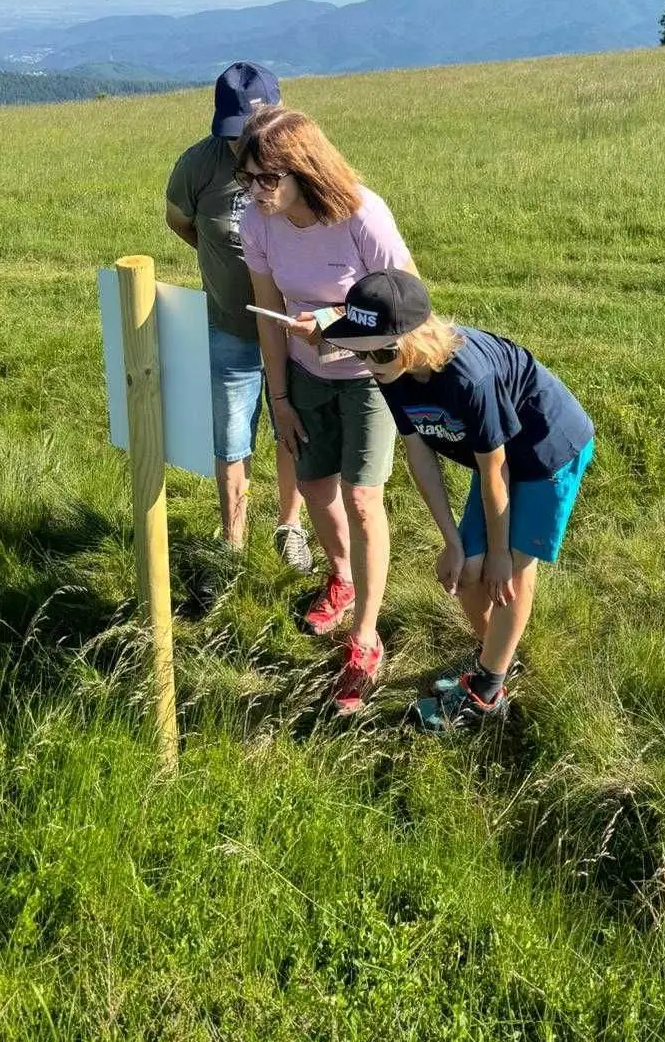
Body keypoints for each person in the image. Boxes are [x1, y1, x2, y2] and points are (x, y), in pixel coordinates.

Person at [320, 269, 595, 734]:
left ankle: (486, 694)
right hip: (496, 464)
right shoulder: (390, 366)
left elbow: (496, 470)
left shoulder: (469, 378)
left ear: (416, 337)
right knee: (468, 571)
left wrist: (502, 554)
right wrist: (451, 541)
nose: (369, 364)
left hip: (545, 451)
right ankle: (498, 660)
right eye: (359, 352)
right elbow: (419, 454)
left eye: (380, 352)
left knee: (509, 576)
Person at [236, 106, 416, 714]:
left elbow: (408, 300)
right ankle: (342, 577)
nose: (256, 192)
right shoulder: (258, 222)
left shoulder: (361, 213)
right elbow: (267, 317)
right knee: (315, 487)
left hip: (369, 375)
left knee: (362, 497)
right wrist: (280, 399)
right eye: (246, 178)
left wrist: (337, 323)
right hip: (304, 374)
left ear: (304, 169)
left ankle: (365, 637)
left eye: (268, 178)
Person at [165, 63, 311, 572]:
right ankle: (233, 542)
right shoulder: (197, 165)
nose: (242, 145)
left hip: (295, 330)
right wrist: (220, 260)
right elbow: (179, 221)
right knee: (230, 438)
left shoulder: (303, 164)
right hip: (230, 326)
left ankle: (290, 527)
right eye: (233, 135)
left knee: (293, 428)